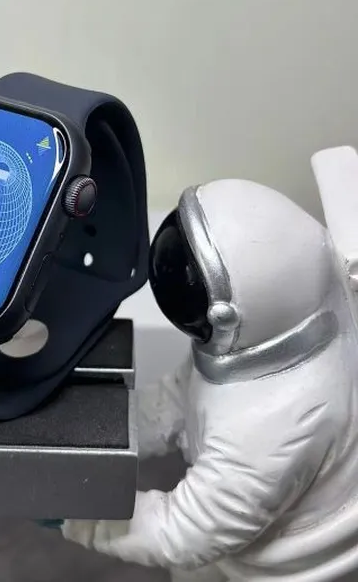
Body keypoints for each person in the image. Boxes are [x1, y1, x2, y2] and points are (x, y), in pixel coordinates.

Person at [62, 178, 358, 581]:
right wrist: (88, 439)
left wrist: (75, 513)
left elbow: (184, 532)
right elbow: (176, 400)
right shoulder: (269, 323)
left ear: (224, 313)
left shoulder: (274, 421)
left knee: (198, 567)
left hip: (292, 565)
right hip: (250, 515)